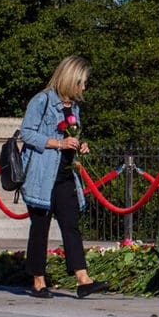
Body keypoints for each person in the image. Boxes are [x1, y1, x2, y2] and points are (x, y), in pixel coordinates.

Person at [16, 56, 106, 300]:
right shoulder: (42, 100)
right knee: (40, 227)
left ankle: (82, 278)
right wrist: (58, 143)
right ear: (70, 79)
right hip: (41, 175)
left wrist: (79, 145)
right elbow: (26, 133)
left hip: (66, 174)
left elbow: (73, 134)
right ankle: (38, 280)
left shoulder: (74, 106)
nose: (84, 87)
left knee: (71, 224)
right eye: (81, 82)